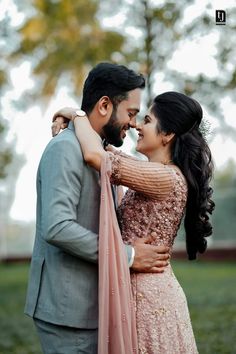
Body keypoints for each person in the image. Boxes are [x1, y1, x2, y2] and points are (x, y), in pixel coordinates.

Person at [52, 91, 215, 353]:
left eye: (147, 121)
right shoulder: (153, 172)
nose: (138, 125)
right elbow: (106, 151)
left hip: (149, 300)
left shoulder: (166, 178)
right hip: (138, 289)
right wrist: (72, 114)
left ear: (167, 134)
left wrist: (79, 114)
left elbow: (98, 158)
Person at [24, 62, 170, 354]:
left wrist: (75, 115)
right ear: (104, 105)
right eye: (130, 113)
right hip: (69, 311)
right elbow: (57, 227)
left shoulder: (101, 151)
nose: (133, 123)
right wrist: (128, 256)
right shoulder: (65, 148)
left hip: (94, 305)